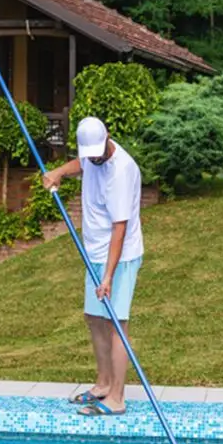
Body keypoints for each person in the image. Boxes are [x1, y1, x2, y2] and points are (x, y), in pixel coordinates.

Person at [42, 116, 143, 416]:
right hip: (95, 252)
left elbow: (120, 229)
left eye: (97, 153)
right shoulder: (92, 156)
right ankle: (103, 383)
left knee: (116, 323)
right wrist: (58, 172)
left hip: (119, 256)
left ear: (108, 138)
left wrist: (109, 276)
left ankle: (117, 398)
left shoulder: (122, 171)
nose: (94, 159)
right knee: (94, 317)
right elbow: (82, 165)